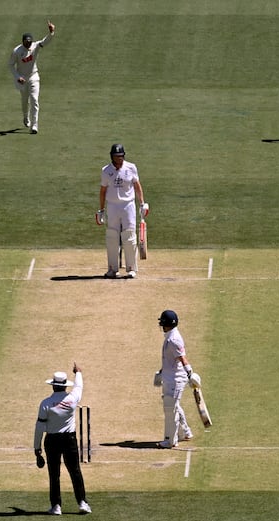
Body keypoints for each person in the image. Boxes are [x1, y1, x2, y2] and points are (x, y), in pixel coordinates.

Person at [33, 362, 91, 516]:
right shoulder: (72, 399)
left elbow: (39, 427)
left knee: (54, 474)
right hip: (69, 440)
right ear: (65, 386)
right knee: (75, 471)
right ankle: (82, 503)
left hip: (52, 441)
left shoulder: (45, 404)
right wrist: (78, 372)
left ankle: (56, 506)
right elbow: (79, 387)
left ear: (53, 386)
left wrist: (36, 448)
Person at [96, 143, 148, 278]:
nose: (118, 159)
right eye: (116, 156)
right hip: (112, 206)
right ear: (112, 157)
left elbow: (137, 186)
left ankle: (131, 268)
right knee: (112, 237)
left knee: (129, 236)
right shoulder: (106, 170)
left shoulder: (131, 167)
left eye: (120, 156)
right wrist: (101, 210)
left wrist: (142, 203)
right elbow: (103, 191)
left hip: (128, 206)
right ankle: (112, 269)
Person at [154, 310, 196, 449]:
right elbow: (170, 359)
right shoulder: (170, 336)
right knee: (174, 406)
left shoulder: (174, 339)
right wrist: (162, 372)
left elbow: (182, 358)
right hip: (170, 377)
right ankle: (185, 432)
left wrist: (190, 374)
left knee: (170, 409)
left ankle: (171, 441)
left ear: (167, 324)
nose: (161, 326)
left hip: (175, 380)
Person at [8, 20, 55, 134]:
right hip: (22, 79)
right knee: (25, 101)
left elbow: (45, 41)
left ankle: (34, 126)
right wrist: (17, 77)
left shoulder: (35, 46)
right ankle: (25, 116)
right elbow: (10, 65)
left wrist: (51, 32)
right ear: (23, 41)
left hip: (34, 76)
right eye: (26, 42)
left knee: (34, 100)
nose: (29, 44)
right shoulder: (17, 51)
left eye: (30, 41)